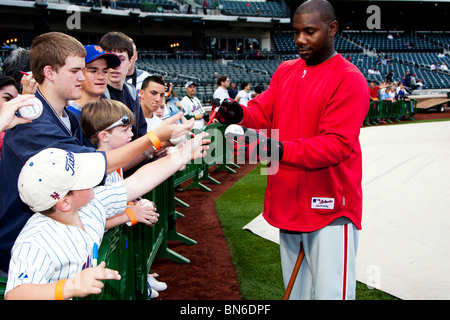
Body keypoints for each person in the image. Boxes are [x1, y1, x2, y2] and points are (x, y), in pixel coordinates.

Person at [0, 32, 195, 275]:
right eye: (75, 71)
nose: (82, 77)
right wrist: (154, 139)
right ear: (49, 73)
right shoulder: (32, 123)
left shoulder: (69, 116)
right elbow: (97, 164)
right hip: (26, 257)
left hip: (57, 249)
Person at [215, 0, 369, 300]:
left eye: (309, 31)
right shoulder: (286, 70)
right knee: (296, 294)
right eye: (296, 31)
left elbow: (335, 146)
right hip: (289, 203)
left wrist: (274, 148)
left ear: (332, 28)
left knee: (329, 295)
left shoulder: (350, 79)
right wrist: (240, 114)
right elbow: (263, 111)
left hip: (330, 209)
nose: (300, 39)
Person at [5, 131, 208, 299]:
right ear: (64, 202)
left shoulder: (90, 202)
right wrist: (69, 287)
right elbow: (15, 293)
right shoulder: (35, 241)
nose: (93, 179)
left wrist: (182, 155)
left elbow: (139, 182)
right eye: (82, 179)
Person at [99, 31, 148, 141]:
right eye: (110, 60)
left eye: (121, 59)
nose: (115, 66)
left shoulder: (131, 91)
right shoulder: (97, 95)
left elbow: (140, 132)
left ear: (130, 61)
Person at [67, 44, 121, 116]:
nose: (101, 77)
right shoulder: (68, 115)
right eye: (93, 71)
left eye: (105, 71)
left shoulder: (115, 111)